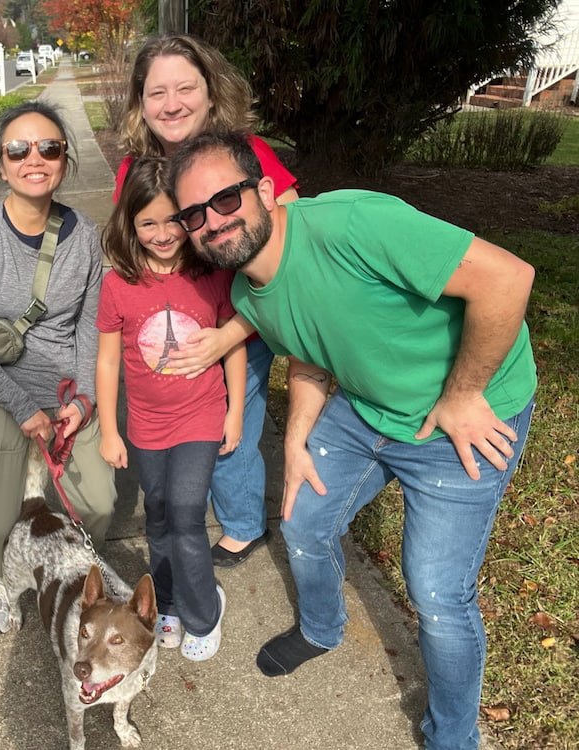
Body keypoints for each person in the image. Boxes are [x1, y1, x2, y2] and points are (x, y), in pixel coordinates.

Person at [168, 130, 537, 750]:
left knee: (438, 596)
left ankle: (453, 738)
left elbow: (506, 278)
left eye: (226, 200)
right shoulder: (246, 293)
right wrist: (296, 441)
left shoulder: (351, 223)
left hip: (466, 416)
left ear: (264, 192)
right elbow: (310, 355)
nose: (213, 222)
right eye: (194, 214)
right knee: (303, 522)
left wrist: (464, 394)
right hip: (367, 410)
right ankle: (321, 627)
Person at [117, 33, 300, 567]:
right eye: (156, 93)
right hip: (174, 318)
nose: (171, 104)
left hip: (243, 315)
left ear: (211, 91)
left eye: (185, 88)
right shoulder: (138, 168)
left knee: (229, 419)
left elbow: (292, 251)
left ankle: (243, 523)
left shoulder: (248, 154)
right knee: (182, 419)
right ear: (140, 102)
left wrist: (227, 335)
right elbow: (132, 242)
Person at [0, 101, 116, 636]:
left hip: (65, 387)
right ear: (2, 164)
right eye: (18, 150)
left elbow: (90, 329)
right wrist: (21, 407)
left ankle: (73, 572)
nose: (34, 159)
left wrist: (84, 400)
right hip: (1, 388)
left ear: (64, 159)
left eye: (49, 148)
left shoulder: (86, 236)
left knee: (98, 502)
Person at [97, 157, 245, 660]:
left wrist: (236, 412)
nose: (162, 234)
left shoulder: (211, 276)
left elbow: (235, 346)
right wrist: (109, 430)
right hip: (145, 424)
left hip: (201, 415)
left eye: (172, 220)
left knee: (185, 517)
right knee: (157, 517)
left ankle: (205, 613)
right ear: (130, 225)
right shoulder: (119, 282)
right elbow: (109, 356)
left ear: (189, 217)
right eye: (148, 223)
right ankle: (169, 604)